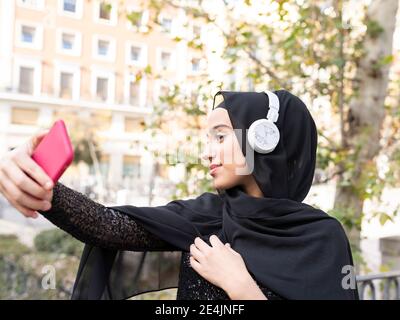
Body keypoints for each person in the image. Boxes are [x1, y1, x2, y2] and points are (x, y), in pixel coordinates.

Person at [0, 89, 359, 300]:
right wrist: (42, 184)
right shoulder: (205, 215)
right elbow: (107, 226)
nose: (207, 152)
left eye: (220, 136)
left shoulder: (322, 239)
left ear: (263, 138)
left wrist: (242, 287)